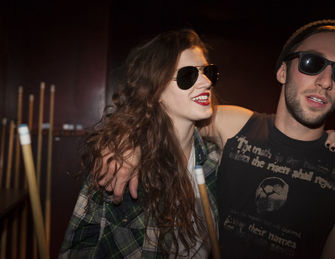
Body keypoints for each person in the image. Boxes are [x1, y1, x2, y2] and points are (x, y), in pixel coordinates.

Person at [99, 19, 335, 259]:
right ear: (282, 71)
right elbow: (163, 120)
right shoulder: (234, 125)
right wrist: (129, 142)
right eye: (312, 63)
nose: (326, 81)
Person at [59, 29, 221, 258]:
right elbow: (78, 248)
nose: (205, 82)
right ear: (156, 91)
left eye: (208, 72)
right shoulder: (119, 163)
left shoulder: (214, 161)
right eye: (188, 75)